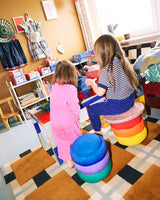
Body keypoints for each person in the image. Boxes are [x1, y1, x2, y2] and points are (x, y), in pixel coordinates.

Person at [85, 34, 139, 136]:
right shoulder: (123, 62)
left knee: (92, 110)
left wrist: (92, 83)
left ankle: (98, 131)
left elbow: (100, 93)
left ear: (102, 54)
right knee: (107, 100)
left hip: (118, 106)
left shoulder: (107, 70)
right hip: (130, 100)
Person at [50, 60, 82, 168]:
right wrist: (77, 115)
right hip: (67, 120)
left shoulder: (54, 85)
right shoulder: (71, 88)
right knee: (75, 137)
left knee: (62, 141)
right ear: (72, 74)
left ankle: (69, 162)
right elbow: (74, 105)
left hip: (54, 120)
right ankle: (79, 155)